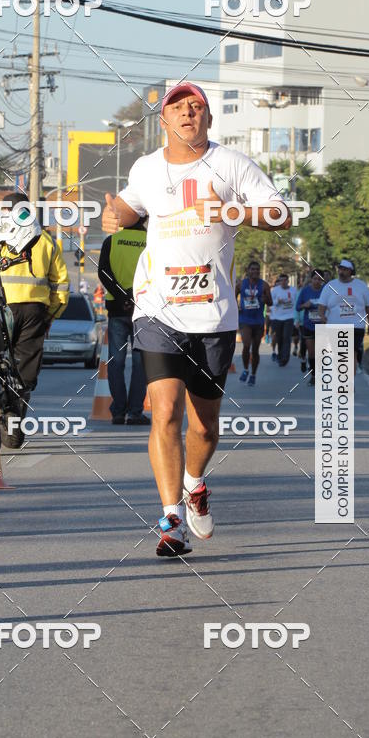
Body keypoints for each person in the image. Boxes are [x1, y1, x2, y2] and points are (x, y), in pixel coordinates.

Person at [101, 81, 291, 556]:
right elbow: (128, 207)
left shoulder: (230, 165)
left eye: (197, 107)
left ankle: (194, 483)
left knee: (204, 427)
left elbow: (281, 214)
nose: (188, 114)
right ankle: (169, 518)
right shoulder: (146, 168)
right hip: (157, 309)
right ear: (163, 121)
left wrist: (233, 210)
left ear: (208, 119)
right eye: (178, 108)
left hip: (214, 316)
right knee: (164, 412)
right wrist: (116, 215)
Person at [0, 192, 69, 404]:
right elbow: (61, 283)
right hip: (35, 311)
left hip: (2, 307)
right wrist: (51, 315)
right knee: (24, 366)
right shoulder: (45, 240)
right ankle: (15, 414)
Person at [98, 218, 149, 425]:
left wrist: (121, 296)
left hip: (118, 310)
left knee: (116, 363)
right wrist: (133, 296)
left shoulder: (112, 241)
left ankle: (118, 412)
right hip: (144, 311)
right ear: (144, 218)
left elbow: (103, 272)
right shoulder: (151, 241)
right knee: (140, 364)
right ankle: (135, 413)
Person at [317, 259, 369, 373]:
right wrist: (322, 316)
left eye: (345, 269)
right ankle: (343, 379)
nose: (341, 272)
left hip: (356, 326)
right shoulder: (330, 286)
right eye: (340, 269)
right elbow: (321, 305)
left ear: (351, 271)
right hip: (335, 326)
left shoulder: (361, 286)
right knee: (339, 355)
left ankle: (349, 382)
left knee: (352, 353)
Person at [235, 258, 272, 385]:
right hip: (245, 319)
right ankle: (245, 369)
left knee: (255, 350)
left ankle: (253, 374)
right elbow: (233, 296)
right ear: (248, 271)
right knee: (246, 346)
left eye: (257, 269)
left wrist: (265, 297)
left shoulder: (264, 285)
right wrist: (237, 307)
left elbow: (270, 302)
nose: (255, 271)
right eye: (253, 269)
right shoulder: (241, 284)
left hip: (258, 321)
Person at [296, 269, 327, 385]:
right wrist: (305, 305)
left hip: (322, 326)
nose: (317, 281)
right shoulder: (305, 291)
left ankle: (321, 374)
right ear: (311, 279)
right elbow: (297, 307)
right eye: (315, 279)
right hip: (309, 325)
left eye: (320, 279)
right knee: (312, 353)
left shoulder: (326, 291)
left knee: (321, 352)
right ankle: (314, 376)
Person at [270, 273, 296, 366]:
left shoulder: (293, 290)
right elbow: (270, 303)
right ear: (279, 281)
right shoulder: (275, 290)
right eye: (281, 280)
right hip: (277, 318)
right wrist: (278, 301)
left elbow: (296, 303)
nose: (283, 282)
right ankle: (280, 356)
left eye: (285, 280)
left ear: (288, 281)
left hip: (289, 317)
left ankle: (285, 358)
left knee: (286, 337)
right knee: (279, 338)